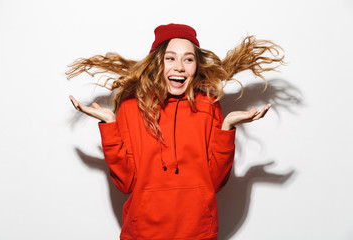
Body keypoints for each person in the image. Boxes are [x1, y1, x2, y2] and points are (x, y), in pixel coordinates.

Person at [67, 23, 284, 240]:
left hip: (198, 233)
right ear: (157, 63)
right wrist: (109, 126)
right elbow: (126, 183)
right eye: (170, 58)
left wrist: (227, 127)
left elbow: (215, 183)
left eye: (188, 59)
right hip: (143, 233)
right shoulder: (132, 107)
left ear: (196, 66)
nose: (179, 66)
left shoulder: (208, 106)